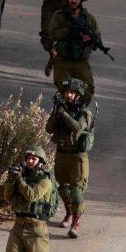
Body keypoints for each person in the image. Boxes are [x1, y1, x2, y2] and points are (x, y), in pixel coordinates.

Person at [3, 145, 55, 252]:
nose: (30, 161)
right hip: (18, 225)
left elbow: (32, 195)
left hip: (36, 229)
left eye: (34, 159)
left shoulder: (45, 181)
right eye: (28, 158)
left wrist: (19, 180)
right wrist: (11, 179)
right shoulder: (21, 176)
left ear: (40, 162)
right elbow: (7, 197)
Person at [45, 78, 95, 238]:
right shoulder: (60, 110)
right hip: (61, 153)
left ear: (78, 95)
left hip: (77, 157)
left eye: (72, 93)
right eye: (67, 92)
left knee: (77, 191)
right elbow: (48, 128)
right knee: (63, 188)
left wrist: (64, 114)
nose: (69, 95)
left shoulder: (85, 113)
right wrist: (55, 113)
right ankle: (69, 213)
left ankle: (76, 222)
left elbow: (77, 128)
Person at [47, 0, 101, 100]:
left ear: (81, 0)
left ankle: (79, 114)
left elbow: (97, 40)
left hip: (81, 61)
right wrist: (68, 31)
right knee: (65, 91)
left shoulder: (88, 19)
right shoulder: (60, 16)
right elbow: (52, 35)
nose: (73, 0)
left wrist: (90, 40)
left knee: (88, 91)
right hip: (63, 60)